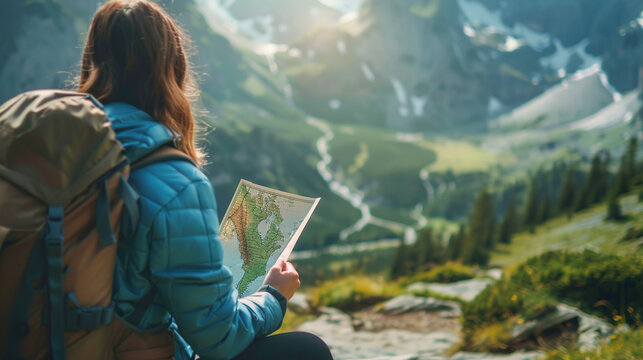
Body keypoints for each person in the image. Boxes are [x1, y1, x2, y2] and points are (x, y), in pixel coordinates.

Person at [77, 1, 334, 359]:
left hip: (48, 345)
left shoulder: (55, 152)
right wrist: (274, 295)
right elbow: (218, 337)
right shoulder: (174, 179)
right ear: (173, 68)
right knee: (307, 349)